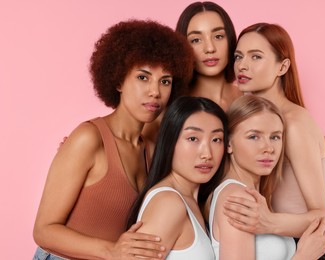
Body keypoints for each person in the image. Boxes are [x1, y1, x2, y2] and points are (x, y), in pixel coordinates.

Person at [32, 19, 194, 260]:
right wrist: (112, 250)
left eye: (165, 81)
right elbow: (43, 231)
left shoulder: (150, 150)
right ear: (118, 80)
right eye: (143, 77)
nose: (155, 91)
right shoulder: (89, 138)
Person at [224, 22, 325, 258]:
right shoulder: (252, 118)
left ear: (282, 66)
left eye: (256, 57)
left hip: (319, 249)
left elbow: (323, 217)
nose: (242, 65)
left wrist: (268, 223)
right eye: (238, 56)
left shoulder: (295, 123)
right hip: (288, 246)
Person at [209, 94, 325, 259]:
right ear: (228, 143)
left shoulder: (254, 196)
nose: (269, 148)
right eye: (254, 136)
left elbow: (323, 220)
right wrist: (303, 257)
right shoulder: (237, 198)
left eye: (275, 137)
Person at [127, 96, 228, 259]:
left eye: (216, 140)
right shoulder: (168, 203)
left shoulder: (193, 202)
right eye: (193, 138)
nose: (207, 154)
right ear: (170, 141)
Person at [142, 1, 242, 143]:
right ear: (183, 46)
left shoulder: (248, 98)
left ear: (230, 40)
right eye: (196, 40)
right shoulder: (169, 105)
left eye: (218, 36)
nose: (209, 48)